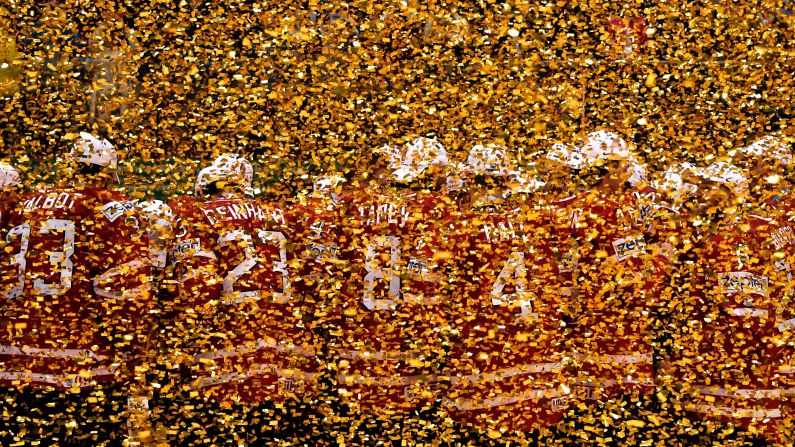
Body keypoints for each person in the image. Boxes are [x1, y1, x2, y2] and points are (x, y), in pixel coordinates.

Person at [0, 132, 152, 447]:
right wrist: (132, 347)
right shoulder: (109, 205)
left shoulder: (24, 203)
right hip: (80, 360)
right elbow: (122, 282)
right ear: (107, 170)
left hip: (14, 359)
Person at [163, 154, 325, 446]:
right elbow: (313, 276)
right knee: (281, 430)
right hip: (286, 339)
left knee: (227, 433)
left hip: (229, 340)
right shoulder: (282, 215)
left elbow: (197, 288)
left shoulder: (197, 215)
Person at [328, 136, 461, 445]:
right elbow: (435, 267)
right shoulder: (431, 206)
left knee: (362, 409)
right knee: (412, 414)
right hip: (411, 320)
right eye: (440, 173)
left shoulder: (360, 202)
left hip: (363, 317)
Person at [445, 143, 569, 446]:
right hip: (533, 325)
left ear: (474, 181)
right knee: (534, 414)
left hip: (484, 329)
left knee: (483, 418)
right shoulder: (537, 219)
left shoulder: (464, 224)